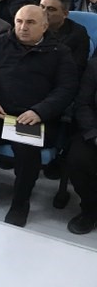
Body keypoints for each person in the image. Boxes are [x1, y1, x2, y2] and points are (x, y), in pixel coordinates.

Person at [0, 5, 78, 227]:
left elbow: (66, 88)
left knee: (27, 150)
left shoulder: (60, 52)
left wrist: (39, 111)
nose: (23, 27)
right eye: (19, 21)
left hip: (32, 116)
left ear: (44, 26)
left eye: (30, 22)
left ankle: (20, 204)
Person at [66, 58, 97, 235]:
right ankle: (90, 210)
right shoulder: (95, 65)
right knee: (77, 159)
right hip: (94, 129)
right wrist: (94, 134)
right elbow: (83, 104)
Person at [40, 0, 90, 74]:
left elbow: (76, 67)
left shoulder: (77, 34)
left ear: (65, 14)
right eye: (42, 7)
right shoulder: (31, 25)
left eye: (51, 9)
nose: (43, 12)